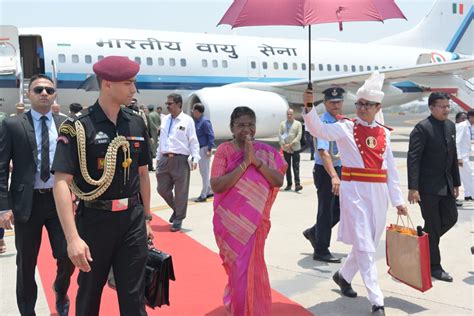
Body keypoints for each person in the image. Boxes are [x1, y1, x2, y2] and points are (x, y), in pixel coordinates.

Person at [52, 56, 153, 316]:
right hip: (95, 221)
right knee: (88, 294)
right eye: (129, 83)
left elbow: (142, 174)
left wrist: (147, 218)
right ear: (107, 84)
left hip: (132, 220)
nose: (134, 89)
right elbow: (62, 182)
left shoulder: (136, 122)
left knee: (134, 297)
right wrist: (72, 238)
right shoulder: (77, 127)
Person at [303, 72, 408, 316]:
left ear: (377, 107)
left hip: (379, 193)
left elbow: (391, 170)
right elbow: (318, 128)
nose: (362, 108)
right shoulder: (344, 127)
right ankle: (377, 300)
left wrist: (398, 201)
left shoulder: (385, 133)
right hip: (354, 192)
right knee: (365, 244)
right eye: (359, 104)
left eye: (367, 105)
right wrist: (309, 106)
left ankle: (343, 275)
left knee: (367, 242)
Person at [0, 74, 74, 316]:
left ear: (55, 94)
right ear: (29, 94)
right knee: (26, 263)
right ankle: (27, 311)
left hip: (58, 201)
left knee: (67, 254)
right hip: (26, 202)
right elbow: (1, 167)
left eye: (49, 90)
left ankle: (60, 290)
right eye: (38, 89)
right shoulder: (12, 125)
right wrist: (3, 206)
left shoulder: (65, 124)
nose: (44, 93)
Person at [210, 106, 286, 315]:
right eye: (241, 125)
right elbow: (217, 185)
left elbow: (278, 180)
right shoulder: (225, 151)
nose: (246, 129)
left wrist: (257, 162)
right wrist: (244, 164)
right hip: (230, 225)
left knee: (251, 271)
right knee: (238, 272)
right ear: (232, 128)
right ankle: (240, 307)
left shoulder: (265, 152)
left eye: (250, 124)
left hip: (256, 225)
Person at [407, 92, 460, 283]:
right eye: (443, 106)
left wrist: (455, 182)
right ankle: (434, 266)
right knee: (435, 224)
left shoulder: (450, 126)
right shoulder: (422, 128)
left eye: (448, 106)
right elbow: (413, 159)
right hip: (427, 187)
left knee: (451, 218)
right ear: (431, 107)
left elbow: (452, 156)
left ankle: (424, 240)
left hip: (445, 184)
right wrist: (413, 187)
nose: (447, 110)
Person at [303, 87, 345, 263]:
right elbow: (323, 151)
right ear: (326, 103)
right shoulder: (323, 123)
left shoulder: (341, 121)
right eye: (331, 102)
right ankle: (321, 249)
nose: (335, 105)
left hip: (339, 169)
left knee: (342, 209)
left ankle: (315, 232)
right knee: (325, 211)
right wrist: (334, 176)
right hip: (326, 171)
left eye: (338, 102)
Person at [156, 93, 200, 232]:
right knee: (162, 189)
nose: (167, 106)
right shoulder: (164, 119)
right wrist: (158, 158)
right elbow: (161, 140)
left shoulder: (187, 120)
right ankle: (177, 210)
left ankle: (178, 219)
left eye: (170, 103)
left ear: (178, 104)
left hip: (180, 159)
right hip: (164, 158)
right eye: (167, 103)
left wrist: (195, 157)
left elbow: (193, 140)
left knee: (181, 191)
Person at [192, 103, 215, 202]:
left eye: (193, 110)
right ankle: (209, 190)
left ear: (197, 111)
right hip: (199, 149)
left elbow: (211, 135)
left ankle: (203, 194)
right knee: (202, 172)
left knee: (204, 172)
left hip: (204, 149)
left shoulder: (205, 122)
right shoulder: (197, 121)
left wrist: (209, 149)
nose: (192, 112)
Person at [278, 108, 303, 192]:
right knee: (287, 167)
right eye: (288, 114)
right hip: (286, 149)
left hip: (295, 148)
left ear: (293, 115)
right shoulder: (282, 124)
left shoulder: (298, 124)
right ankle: (289, 184)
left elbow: (299, 135)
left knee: (296, 167)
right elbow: (280, 135)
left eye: (291, 114)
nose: (289, 116)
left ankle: (297, 184)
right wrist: (284, 144)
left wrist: (291, 144)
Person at [456, 110, 473, 201]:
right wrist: (459, 158)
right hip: (462, 157)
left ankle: (469, 195)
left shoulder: (468, 126)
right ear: (471, 117)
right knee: (470, 175)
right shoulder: (463, 126)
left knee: (468, 176)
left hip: (464, 155)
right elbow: (457, 142)